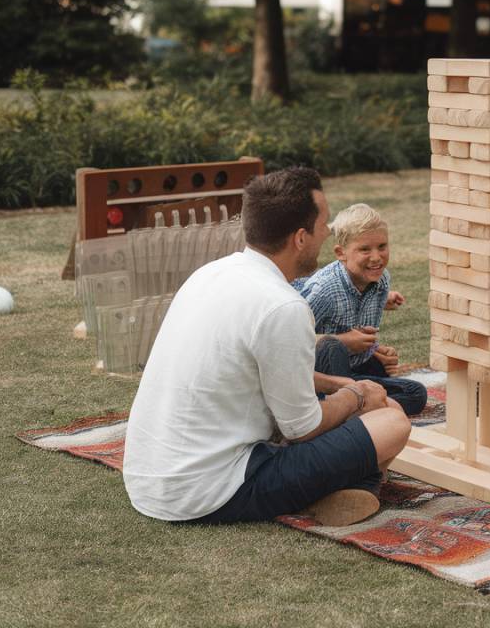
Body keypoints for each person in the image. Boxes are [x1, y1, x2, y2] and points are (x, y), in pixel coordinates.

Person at [123, 168, 411, 526]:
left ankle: (344, 486)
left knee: (376, 405)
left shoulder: (211, 273)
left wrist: (342, 386)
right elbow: (302, 428)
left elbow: (265, 369)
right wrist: (356, 395)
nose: (326, 233)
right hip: (211, 492)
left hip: (150, 480)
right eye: (323, 225)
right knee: (393, 421)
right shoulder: (283, 306)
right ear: (301, 238)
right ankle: (350, 487)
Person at [297, 203, 427, 416]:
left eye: (382, 246)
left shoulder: (381, 279)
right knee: (332, 347)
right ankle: (346, 405)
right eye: (365, 249)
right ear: (341, 253)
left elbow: (358, 316)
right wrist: (343, 341)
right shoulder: (324, 290)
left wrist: (376, 351)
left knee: (416, 393)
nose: (376, 257)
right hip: (320, 375)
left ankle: (358, 404)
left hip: (354, 367)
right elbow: (291, 338)